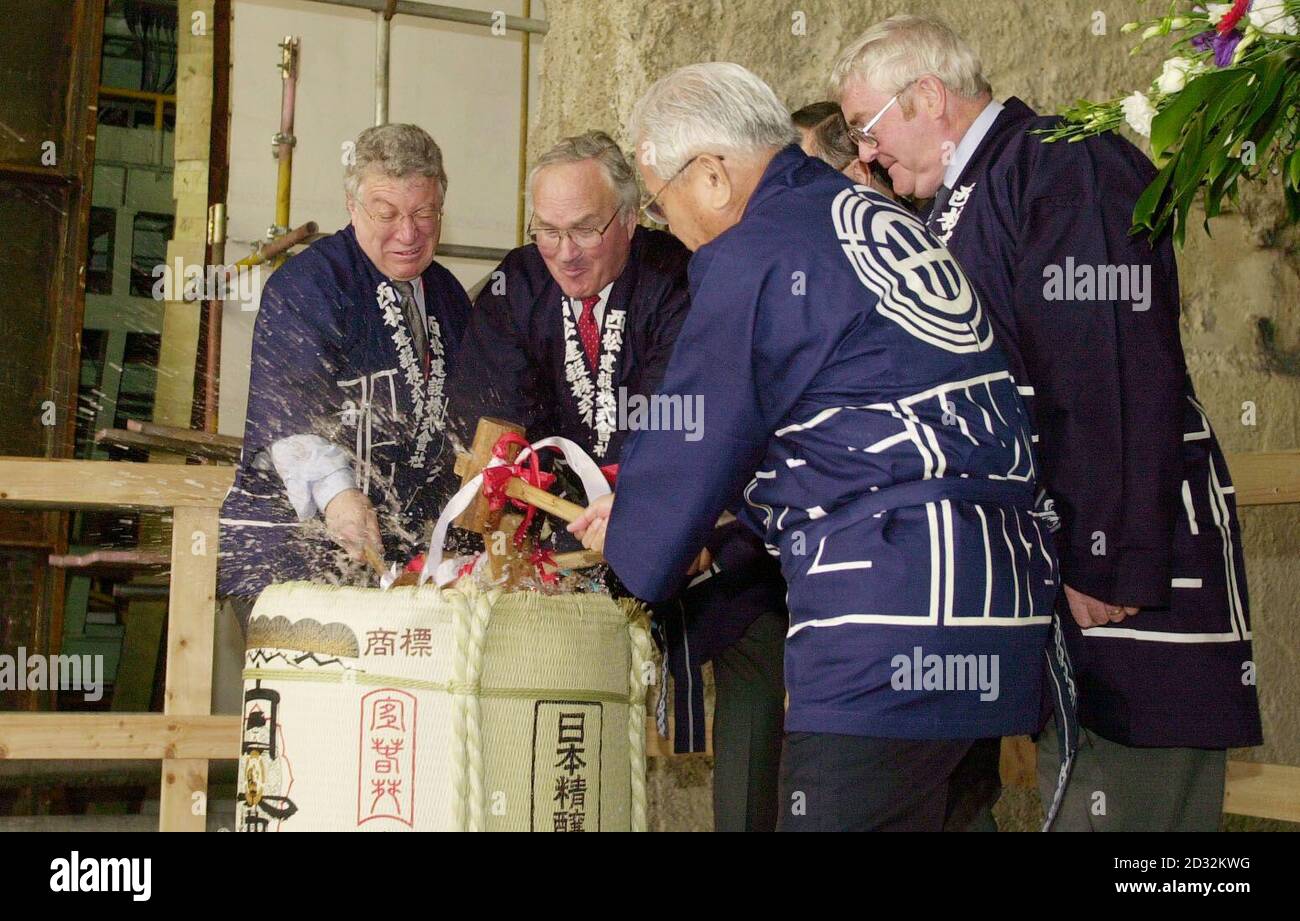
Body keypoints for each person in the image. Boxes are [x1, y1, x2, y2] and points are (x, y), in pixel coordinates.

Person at [570, 62, 1059, 831]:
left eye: (664, 205)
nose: (674, 230)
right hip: (994, 607)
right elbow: (856, 421)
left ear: (712, 176)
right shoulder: (875, 215)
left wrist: (638, 537)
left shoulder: (759, 249)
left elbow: (694, 427)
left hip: (888, 617)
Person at [833, 14, 1262, 831]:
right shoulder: (966, 193)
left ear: (927, 95)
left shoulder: (1063, 161)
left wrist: (1104, 551)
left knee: (1138, 818)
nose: (865, 152)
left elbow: (1108, 361)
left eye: (867, 127)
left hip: (1124, 574)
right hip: (1056, 565)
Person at [448, 131, 788, 832]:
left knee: (754, 631)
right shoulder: (518, 285)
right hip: (565, 550)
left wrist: (662, 520)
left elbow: (693, 423)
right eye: (547, 230)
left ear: (631, 216)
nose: (565, 251)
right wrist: (507, 468)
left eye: (585, 228)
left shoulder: (682, 275)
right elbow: (495, 416)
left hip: (695, 531)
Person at [219, 123, 470, 626]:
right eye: (387, 214)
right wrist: (339, 494)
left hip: (407, 557)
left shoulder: (448, 296)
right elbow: (290, 408)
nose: (408, 233)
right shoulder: (308, 285)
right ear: (352, 207)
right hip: (305, 549)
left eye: (424, 213)